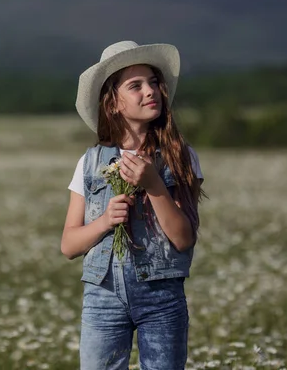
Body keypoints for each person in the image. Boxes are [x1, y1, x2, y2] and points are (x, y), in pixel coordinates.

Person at [61, 41, 205, 370]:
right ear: (113, 103)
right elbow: (69, 245)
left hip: (162, 298)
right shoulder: (90, 162)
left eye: (154, 82)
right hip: (103, 297)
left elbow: (183, 238)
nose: (150, 91)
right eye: (135, 85)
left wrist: (154, 184)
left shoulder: (180, 157)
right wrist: (103, 222)